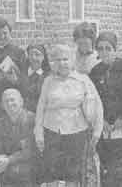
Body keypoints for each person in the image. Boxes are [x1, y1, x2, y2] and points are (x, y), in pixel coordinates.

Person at [34, 44, 103, 187]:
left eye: (65, 59)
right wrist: (38, 133)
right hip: (52, 131)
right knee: (52, 173)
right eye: (58, 60)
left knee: (73, 174)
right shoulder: (48, 81)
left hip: (76, 131)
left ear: (72, 60)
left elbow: (97, 106)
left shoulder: (83, 80)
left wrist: (97, 131)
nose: (62, 63)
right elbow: (41, 108)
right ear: (53, 63)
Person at [89, 31, 122, 187]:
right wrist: (101, 121)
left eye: (108, 48)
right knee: (108, 164)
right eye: (101, 48)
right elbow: (94, 100)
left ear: (115, 50)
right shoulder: (95, 71)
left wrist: (120, 119)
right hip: (104, 124)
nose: (104, 52)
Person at [0, 18, 27, 121]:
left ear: (10, 33)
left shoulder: (19, 53)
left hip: (13, 98)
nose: (1, 36)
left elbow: (24, 77)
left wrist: (14, 80)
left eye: (5, 33)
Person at [0, 88, 37, 187]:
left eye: (12, 99)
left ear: (21, 102)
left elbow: (30, 150)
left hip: (29, 170)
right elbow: (1, 150)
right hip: (8, 170)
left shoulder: (32, 120)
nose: (9, 103)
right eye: (6, 101)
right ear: (2, 106)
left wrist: (8, 160)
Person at [20, 44, 50, 113]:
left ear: (43, 57)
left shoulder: (48, 76)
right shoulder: (22, 74)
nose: (33, 58)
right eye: (31, 54)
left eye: (37, 55)